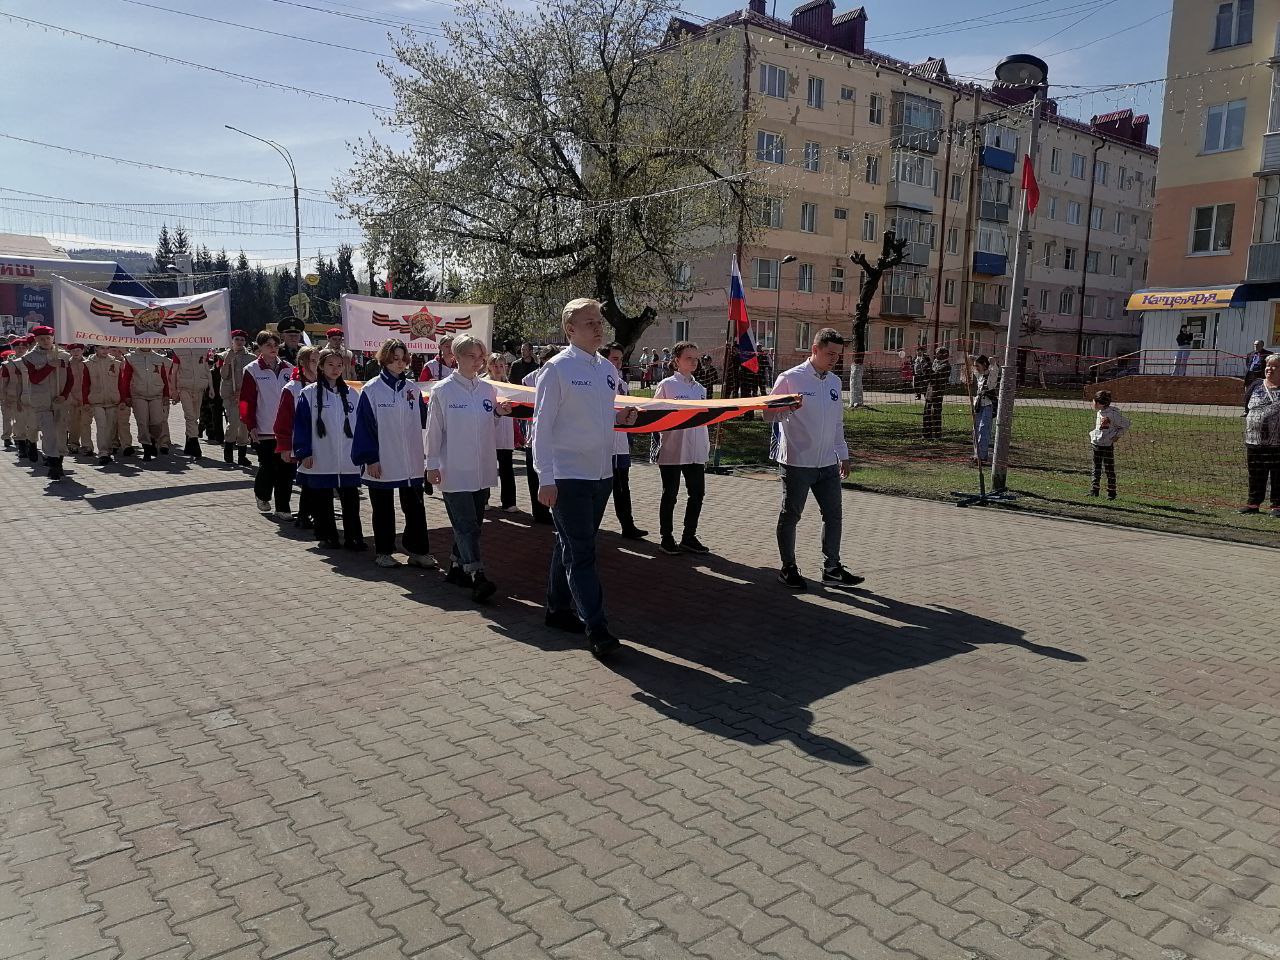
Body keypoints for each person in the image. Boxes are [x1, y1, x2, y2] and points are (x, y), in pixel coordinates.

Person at [534, 298, 640, 658]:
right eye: (589, 323)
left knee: (570, 544)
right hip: (567, 476)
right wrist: (544, 477)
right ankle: (597, 627)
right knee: (582, 553)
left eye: (599, 322)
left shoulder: (607, 370)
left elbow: (600, 417)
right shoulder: (557, 369)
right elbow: (542, 427)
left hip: (600, 474)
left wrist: (621, 420)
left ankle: (556, 609)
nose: (599, 328)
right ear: (570, 330)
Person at [767, 327, 863, 591]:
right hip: (797, 461)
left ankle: (831, 568)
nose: (834, 359)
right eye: (830, 353)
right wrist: (786, 407)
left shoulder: (834, 382)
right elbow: (767, 414)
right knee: (791, 515)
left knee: (834, 515)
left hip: (828, 464)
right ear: (815, 349)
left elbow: (837, 423)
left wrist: (842, 454)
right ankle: (788, 568)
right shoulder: (790, 378)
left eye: (838, 355)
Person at [426, 335, 512, 602]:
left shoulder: (488, 390)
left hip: (482, 469)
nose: (477, 362)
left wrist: (498, 415)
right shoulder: (443, 390)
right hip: (454, 468)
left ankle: (455, 567)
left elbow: (488, 426)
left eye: (480, 356)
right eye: (471, 356)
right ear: (456, 357)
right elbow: (434, 432)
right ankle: (477, 575)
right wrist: (430, 465)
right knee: (466, 526)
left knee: (473, 524)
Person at [351, 338, 436, 569]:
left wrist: (430, 456)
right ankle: (384, 551)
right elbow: (364, 427)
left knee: (416, 507)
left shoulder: (412, 389)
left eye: (403, 359)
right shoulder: (371, 389)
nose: (399, 364)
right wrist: (371, 458)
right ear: (384, 359)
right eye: (394, 359)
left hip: (412, 461)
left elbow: (425, 422)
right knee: (383, 508)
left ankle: (417, 551)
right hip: (383, 460)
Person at [293, 348, 366, 549]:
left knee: (351, 500)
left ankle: (354, 537)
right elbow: (302, 425)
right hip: (321, 455)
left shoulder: (352, 394)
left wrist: (362, 453)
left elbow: (361, 425)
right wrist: (303, 451)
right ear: (321, 367)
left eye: (339, 365)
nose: (335, 369)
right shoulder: (308, 393)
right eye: (330, 365)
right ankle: (327, 536)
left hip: (347, 458)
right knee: (323, 500)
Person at [652, 341, 710, 555]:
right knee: (670, 494)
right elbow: (655, 416)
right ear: (677, 361)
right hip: (674, 449)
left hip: (696, 451)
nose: (694, 362)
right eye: (689, 358)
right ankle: (666, 536)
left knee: (697, 493)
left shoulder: (701, 388)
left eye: (696, 358)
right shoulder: (667, 385)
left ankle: (689, 536)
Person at [239, 332, 296, 517]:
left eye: (275, 344)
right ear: (260, 348)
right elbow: (246, 400)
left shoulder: (289, 368)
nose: (273, 348)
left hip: (287, 430)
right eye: (268, 345)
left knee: (287, 468)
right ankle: (262, 494)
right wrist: (250, 425)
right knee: (269, 466)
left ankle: (283, 507)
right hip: (264, 427)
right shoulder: (252, 369)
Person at [602, 343, 647, 540]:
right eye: (615, 358)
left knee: (622, 485)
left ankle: (627, 525)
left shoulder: (623, 384)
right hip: (602, 444)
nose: (619, 363)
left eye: (620, 359)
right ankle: (590, 525)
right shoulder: (598, 380)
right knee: (601, 487)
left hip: (620, 445)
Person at [17, 326, 73, 480]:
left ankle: (60, 462)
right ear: (36, 340)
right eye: (42, 338)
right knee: (49, 433)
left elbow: (70, 378)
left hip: (60, 400)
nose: (46, 341)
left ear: (53, 338)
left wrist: (64, 395)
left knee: (61, 432)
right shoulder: (30, 357)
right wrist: (49, 367)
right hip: (42, 401)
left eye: (48, 338)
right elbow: (34, 379)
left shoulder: (64, 356)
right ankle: (53, 464)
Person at [274, 345, 319, 530]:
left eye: (319, 361)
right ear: (302, 362)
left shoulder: (324, 385)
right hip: (295, 441)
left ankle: (307, 513)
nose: (318, 365)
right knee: (288, 476)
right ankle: (285, 508)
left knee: (312, 480)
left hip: (317, 441)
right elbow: (283, 419)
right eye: (314, 361)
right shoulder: (292, 388)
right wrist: (284, 445)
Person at [522, 346, 560, 524]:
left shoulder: (561, 374)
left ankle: (553, 510)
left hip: (558, 436)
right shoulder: (530, 378)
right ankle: (539, 511)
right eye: (547, 357)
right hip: (535, 434)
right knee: (535, 474)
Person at [1239, 354, 1280, 516]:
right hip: (1254, 440)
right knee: (1255, 472)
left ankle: (1277, 506)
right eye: (1268, 365)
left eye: (1275, 366)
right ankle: (1253, 503)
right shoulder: (1256, 385)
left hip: (1277, 443)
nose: (1269, 368)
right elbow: (1247, 407)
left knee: (1277, 474)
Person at [82, 344, 132, 466]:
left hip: (112, 400)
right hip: (96, 400)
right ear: (96, 349)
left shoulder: (115, 363)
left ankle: (108, 450)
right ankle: (103, 452)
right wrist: (85, 401)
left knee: (110, 427)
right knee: (102, 425)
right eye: (102, 348)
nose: (105, 351)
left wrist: (122, 400)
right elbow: (85, 384)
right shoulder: (88, 363)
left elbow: (120, 382)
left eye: (107, 348)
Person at [121, 345, 172, 462]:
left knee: (157, 422)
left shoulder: (159, 358)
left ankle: (153, 439)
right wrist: (126, 396)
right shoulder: (131, 358)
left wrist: (166, 394)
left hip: (156, 394)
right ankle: (146, 447)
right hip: (138, 395)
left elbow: (163, 377)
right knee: (142, 422)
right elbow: (126, 378)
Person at [485, 352, 519, 511]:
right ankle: (483, 500)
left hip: (506, 434)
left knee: (507, 467)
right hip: (489, 432)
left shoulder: (510, 385)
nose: (498, 369)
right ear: (489, 367)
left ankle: (509, 502)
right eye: (495, 365)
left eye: (501, 365)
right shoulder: (483, 385)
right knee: (487, 467)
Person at [171, 347, 214, 460]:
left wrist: (211, 387)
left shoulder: (203, 350)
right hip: (184, 387)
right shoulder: (178, 350)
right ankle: (195, 444)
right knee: (190, 416)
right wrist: (174, 390)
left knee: (195, 416)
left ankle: (188, 442)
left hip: (199, 388)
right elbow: (174, 371)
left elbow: (206, 369)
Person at [218, 330, 254, 466]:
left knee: (244, 424)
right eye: (237, 339)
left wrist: (244, 391)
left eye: (242, 340)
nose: (239, 342)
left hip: (244, 396)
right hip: (230, 396)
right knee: (233, 422)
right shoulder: (223, 356)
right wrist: (227, 361)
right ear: (232, 341)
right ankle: (228, 451)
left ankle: (242, 455)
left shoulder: (251, 358)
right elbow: (224, 375)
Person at [1088, 389, 1131, 500]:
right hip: (1096, 444)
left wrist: (1117, 436)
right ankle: (1094, 490)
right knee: (1096, 468)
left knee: (1109, 469)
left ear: (1098, 403)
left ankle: (1111, 493)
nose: (1092, 403)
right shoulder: (1100, 412)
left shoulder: (1113, 414)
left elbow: (1126, 424)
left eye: (1093, 401)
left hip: (1107, 446)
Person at [64, 343, 92, 456]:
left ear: (83, 351)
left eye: (78, 350)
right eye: (73, 350)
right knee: (73, 423)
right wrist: (70, 398)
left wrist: (89, 397)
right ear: (70, 352)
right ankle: (73, 444)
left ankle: (87, 445)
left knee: (86, 423)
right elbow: (64, 382)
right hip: (72, 398)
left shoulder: (88, 363)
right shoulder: (67, 364)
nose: (76, 352)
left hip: (86, 398)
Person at [971, 355, 999, 465]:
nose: (976, 368)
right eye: (975, 366)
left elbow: (995, 370)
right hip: (978, 405)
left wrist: (993, 363)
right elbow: (974, 371)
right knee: (976, 429)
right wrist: (973, 360)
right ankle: (976, 454)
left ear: (984, 365)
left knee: (984, 429)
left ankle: (982, 455)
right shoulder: (980, 376)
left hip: (988, 404)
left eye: (978, 366)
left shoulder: (991, 375)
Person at [922, 347, 949, 440]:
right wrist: (926, 365)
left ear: (943, 354)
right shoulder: (936, 363)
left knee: (935, 414)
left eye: (937, 353)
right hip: (929, 392)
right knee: (926, 414)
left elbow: (936, 377)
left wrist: (928, 364)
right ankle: (926, 435)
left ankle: (937, 435)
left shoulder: (946, 366)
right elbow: (928, 376)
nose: (935, 355)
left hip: (937, 393)